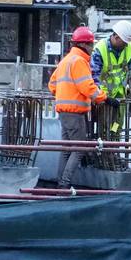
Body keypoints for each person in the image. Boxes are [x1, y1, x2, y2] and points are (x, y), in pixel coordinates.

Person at [49, 26, 107, 189]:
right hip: (75, 114)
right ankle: (64, 184)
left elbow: (52, 84)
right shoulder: (79, 61)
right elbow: (87, 87)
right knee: (79, 148)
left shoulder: (66, 60)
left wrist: (64, 95)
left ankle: (60, 183)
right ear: (84, 45)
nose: (93, 48)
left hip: (63, 111)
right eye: (91, 45)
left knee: (67, 149)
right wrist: (103, 97)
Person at [91, 20, 131, 146]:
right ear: (116, 37)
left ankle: (113, 147)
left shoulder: (128, 47)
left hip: (120, 97)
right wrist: (100, 96)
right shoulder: (100, 49)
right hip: (105, 98)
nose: (126, 45)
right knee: (104, 127)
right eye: (124, 42)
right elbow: (94, 76)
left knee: (116, 125)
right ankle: (104, 150)